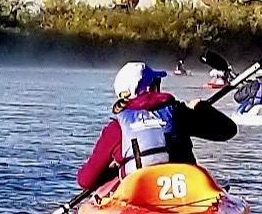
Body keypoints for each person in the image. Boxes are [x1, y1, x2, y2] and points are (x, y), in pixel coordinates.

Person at [77, 62, 237, 193]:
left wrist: (113, 169)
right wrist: (202, 108)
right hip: (187, 196)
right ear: (149, 88)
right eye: (157, 83)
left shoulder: (115, 128)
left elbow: (85, 180)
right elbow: (228, 130)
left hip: (139, 199)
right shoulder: (178, 112)